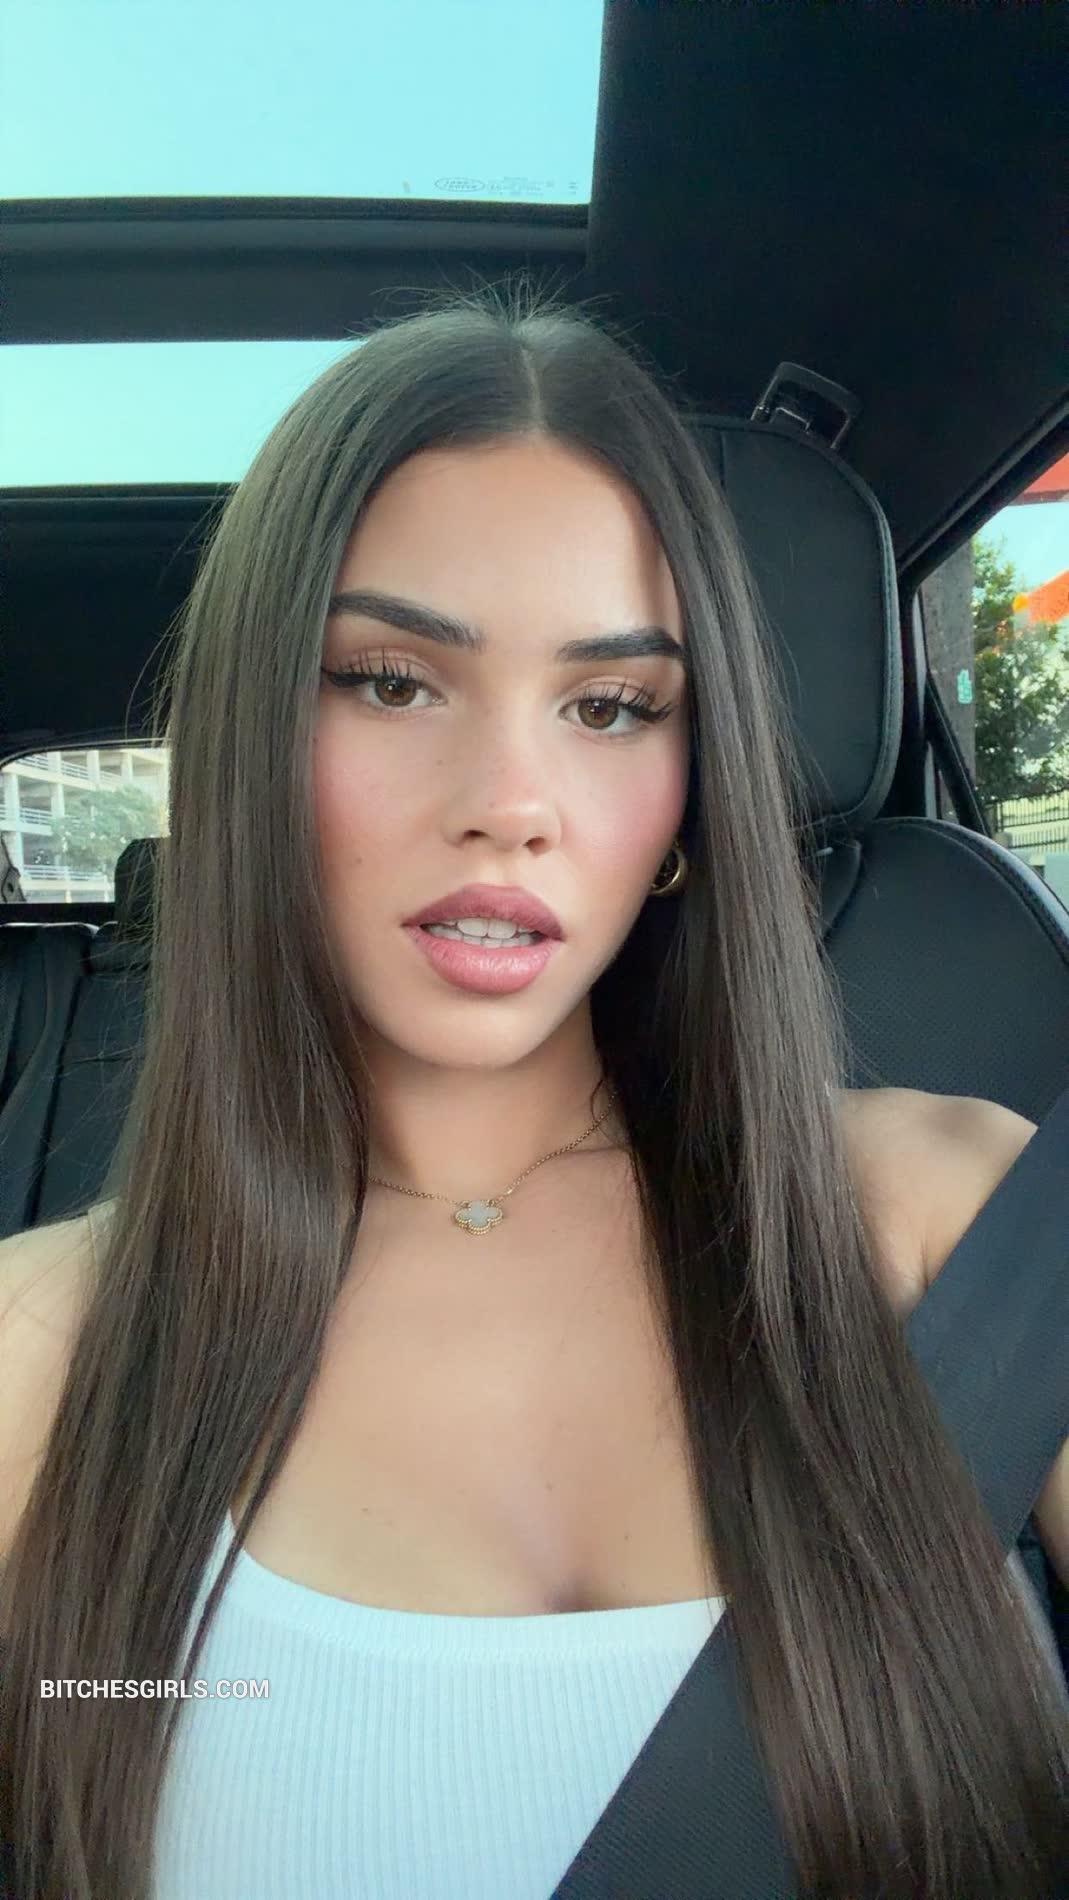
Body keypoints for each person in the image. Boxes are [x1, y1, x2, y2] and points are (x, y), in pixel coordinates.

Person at [0, 283, 1065, 1899]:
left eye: (610, 706)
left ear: (691, 786)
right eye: (389, 680)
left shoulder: (963, 1223)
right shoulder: (42, 1357)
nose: (511, 801)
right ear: (245, 740)